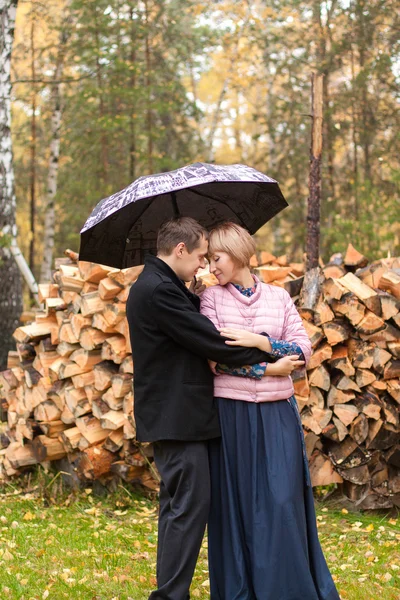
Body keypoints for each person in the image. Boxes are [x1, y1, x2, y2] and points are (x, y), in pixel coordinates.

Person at [126, 217, 277, 600]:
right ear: (179, 250)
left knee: (178, 505)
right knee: (190, 506)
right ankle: (169, 595)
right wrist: (265, 351)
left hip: (179, 415)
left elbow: (187, 323)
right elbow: (208, 339)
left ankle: (169, 591)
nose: (203, 265)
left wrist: (192, 292)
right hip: (176, 417)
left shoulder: (163, 285)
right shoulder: (159, 290)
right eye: (198, 256)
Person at [200, 222, 341, 600]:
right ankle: (240, 590)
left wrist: (259, 341)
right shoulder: (211, 299)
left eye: (217, 257)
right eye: (209, 258)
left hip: (278, 413)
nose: (211, 266)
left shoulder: (278, 298)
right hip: (231, 413)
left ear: (238, 252)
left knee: (281, 500)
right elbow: (216, 358)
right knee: (236, 502)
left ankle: (286, 588)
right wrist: (268, 367)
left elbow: (303, 350)